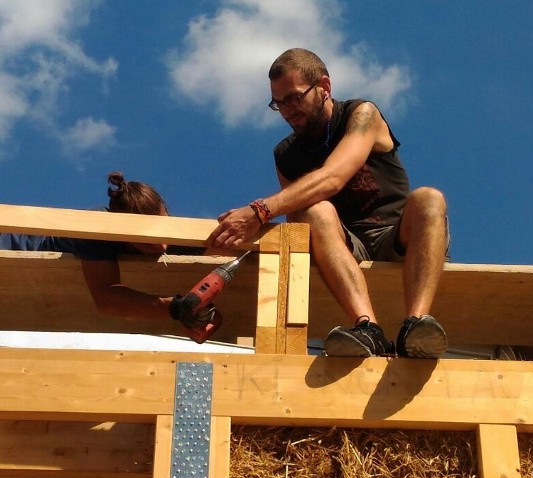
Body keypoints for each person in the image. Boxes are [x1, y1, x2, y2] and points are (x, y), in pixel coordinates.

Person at [206, 48, 450, 359]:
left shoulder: (361, 114)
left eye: (294, 98)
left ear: (324, 87)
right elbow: (297, 218)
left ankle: (416, 326)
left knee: (429, 199)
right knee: (315, 211)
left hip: (395, 236)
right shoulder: (286, 154)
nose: (287, 110)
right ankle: (367, 328)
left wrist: (258, 212)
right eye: (278, 104)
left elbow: (333, 177)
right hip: (342, 244)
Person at [0, 172, 209, 331]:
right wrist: (175, 307)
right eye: (146, 242)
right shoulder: (98, 227)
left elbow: (213, 246)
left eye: (162, 234)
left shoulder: (171, 236)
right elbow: (107, 299)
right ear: (123, 232)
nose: (160, 246)